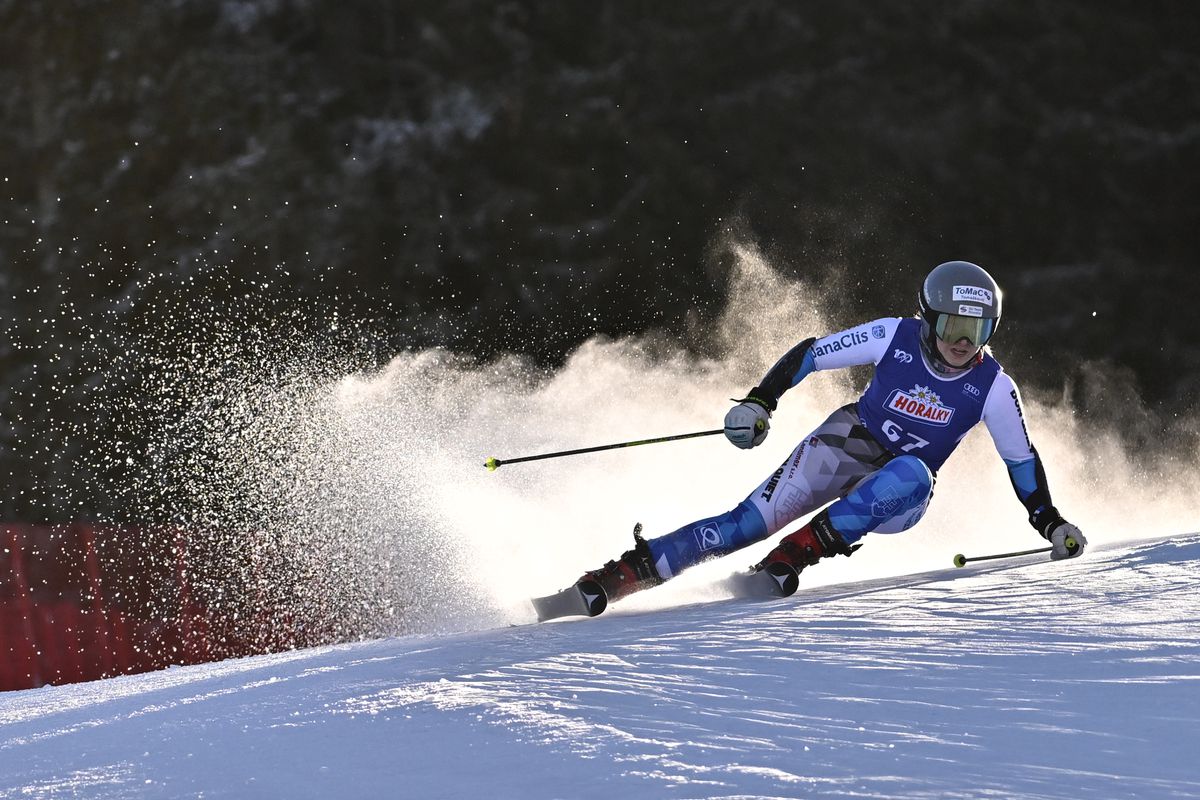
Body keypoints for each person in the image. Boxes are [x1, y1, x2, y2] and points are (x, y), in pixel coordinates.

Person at [572, 261, 1087, 602]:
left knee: (911, 471)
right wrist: (759, 401)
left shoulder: (994, 387)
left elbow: (1020, 460)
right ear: (928, 318)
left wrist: (1050, 523)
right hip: (849, 440)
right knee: (743, 524)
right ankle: (620, 576)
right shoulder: (893, 335)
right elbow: (813, 354)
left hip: (899, 496)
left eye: (975, 331)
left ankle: (793, 555)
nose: (961, 342)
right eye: (952, 326)